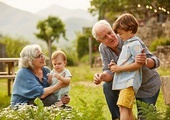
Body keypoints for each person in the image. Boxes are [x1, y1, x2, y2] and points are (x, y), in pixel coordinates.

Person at [92, 19, 161, 120]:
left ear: (112, 29)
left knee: (146, 117)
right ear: (99, 40)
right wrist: (102, 76)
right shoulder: (103, 48)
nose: (110, 37)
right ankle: (117, 118)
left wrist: (145, 60)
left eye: (110, 32)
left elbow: (156, 61)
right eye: (104, 37)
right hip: (126, 85)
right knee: (107, 86)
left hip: (146, 85)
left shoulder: (129, 38)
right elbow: (109, 71)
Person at [108, 13, 144, 120]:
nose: (119, 36)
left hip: (129, 83)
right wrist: (116, 66)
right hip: (125, 82)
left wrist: (119, 69)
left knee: (123, 107)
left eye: (121, 33)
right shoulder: (127, 44)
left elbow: (138, 64)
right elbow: (127, 62)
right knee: (125, 108)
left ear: (131, 29)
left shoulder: (135, 44)